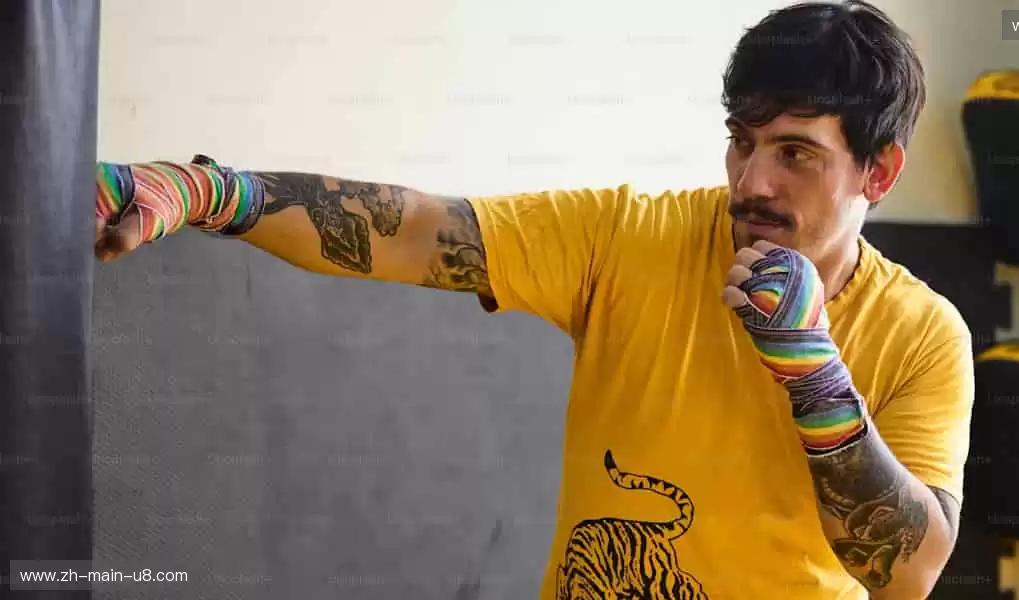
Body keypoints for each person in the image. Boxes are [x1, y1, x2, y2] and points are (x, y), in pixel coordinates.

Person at [93, 1, 973, 598]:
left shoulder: (924, 335)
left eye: (796, 154)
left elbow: (909, 574)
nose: (752, 182)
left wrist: (817, 380)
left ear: (880, 171)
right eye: (741, 142)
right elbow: (416, 231)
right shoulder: (630, 236)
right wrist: (215, 193)